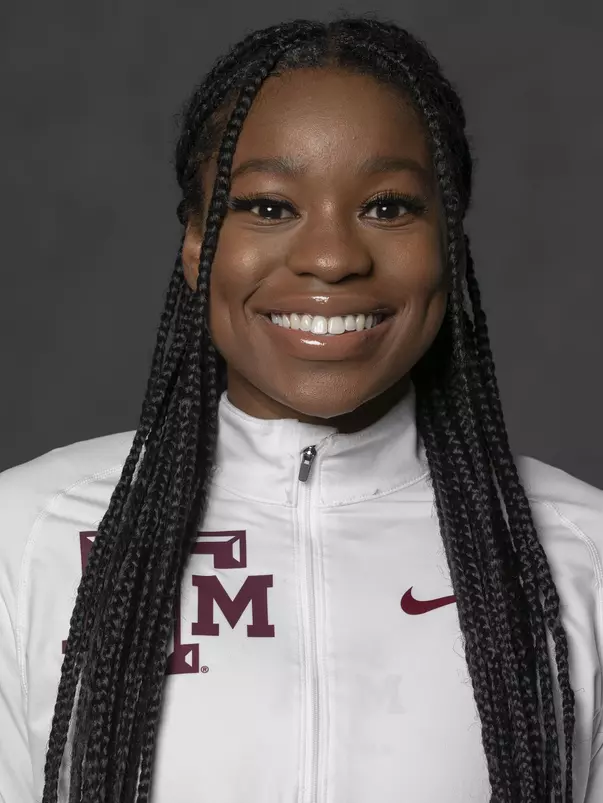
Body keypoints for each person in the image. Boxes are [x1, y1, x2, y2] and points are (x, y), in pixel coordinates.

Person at [0, 15, 601, 803]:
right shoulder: (25, 537)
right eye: (269, 207)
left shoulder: (581, 551)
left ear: (449, 243)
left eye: (387, 206)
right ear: (196, 246)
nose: (331, 257)